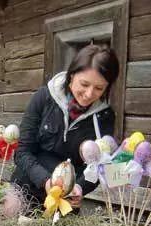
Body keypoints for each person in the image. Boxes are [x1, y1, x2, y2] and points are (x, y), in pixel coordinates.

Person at [12, 44, 119, 209]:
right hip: (24, 192)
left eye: (99, 88)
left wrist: (80, 188)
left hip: (64, 203)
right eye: (84, 84)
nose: (89, 94)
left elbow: (99, 166)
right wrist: (46, 181)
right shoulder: (44, 98)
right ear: (71, 75)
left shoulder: (104, 116)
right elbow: (22, 152)